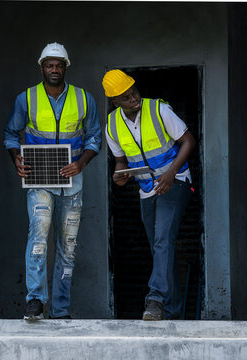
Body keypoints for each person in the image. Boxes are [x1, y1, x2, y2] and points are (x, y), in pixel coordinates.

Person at [4, 42, 102, 320]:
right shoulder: (27, 98)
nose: (54, 69)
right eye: (50, 64)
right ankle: (35, 301)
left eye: (59, 65)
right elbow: (11, 134)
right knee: (39, 235)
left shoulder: (84, 99)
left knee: (68, 244)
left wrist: (81, 163)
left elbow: (95, 136)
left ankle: (60, 309)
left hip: (73, 180)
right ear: (42, 67)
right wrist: (16, 158)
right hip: (39, 181)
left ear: (66, 67)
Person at [102, 69, 195, 320]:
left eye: (134, 91)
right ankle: (173, 313)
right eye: (125, 97)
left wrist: (170, 174)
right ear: (115, 102)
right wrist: (119, 175)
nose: (133, 98)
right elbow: (121, 161)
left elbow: (188, 141)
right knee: (160, 249)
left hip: (176, 181)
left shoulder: (158, 110)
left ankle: (154, 300)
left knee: (162, 240)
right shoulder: (112, 125)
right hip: (146, 190)